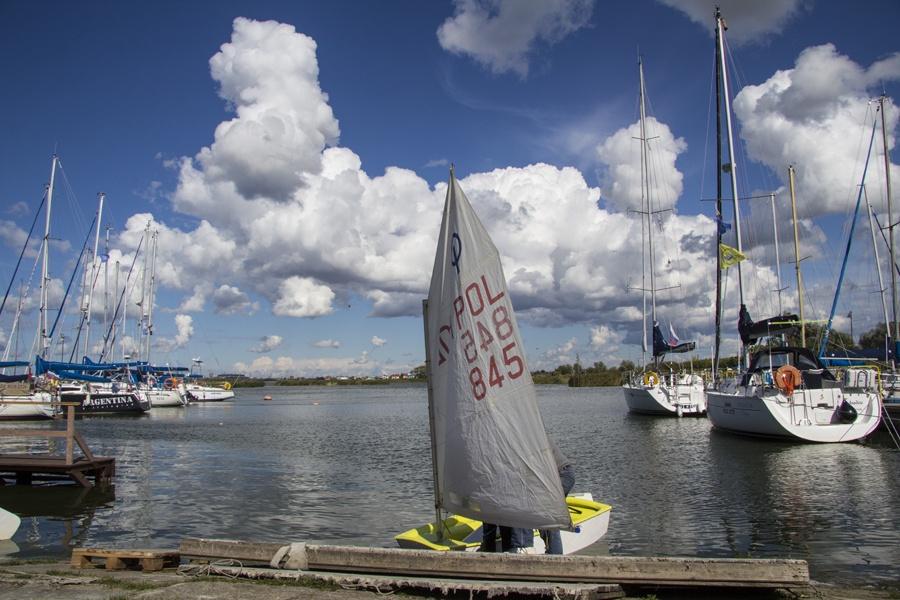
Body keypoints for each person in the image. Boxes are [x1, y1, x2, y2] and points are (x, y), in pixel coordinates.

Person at [541, 438, 575, 555]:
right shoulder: (530, 432)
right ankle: (551, 550)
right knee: (545, 515)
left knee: (548, 516)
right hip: (561, 474)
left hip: (561, 475)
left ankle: (555, 556)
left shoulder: (531, 438)